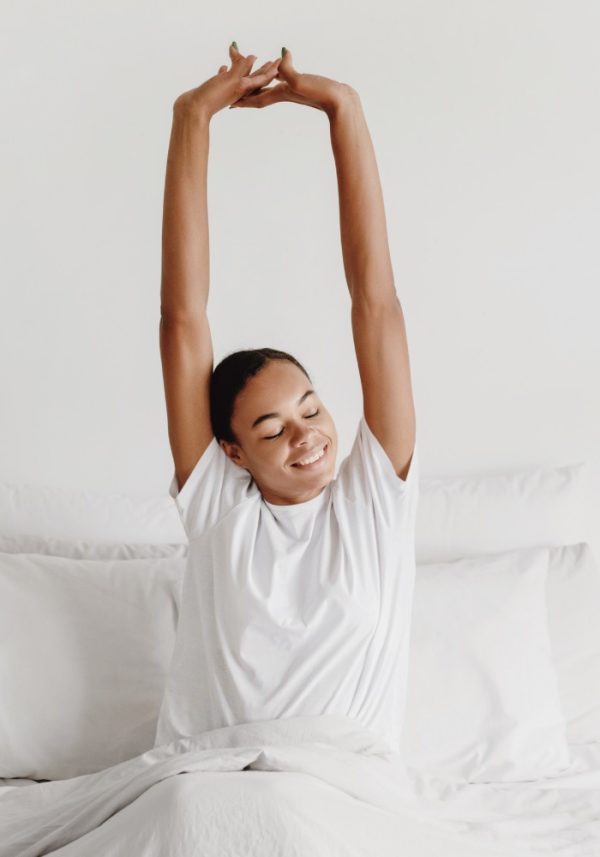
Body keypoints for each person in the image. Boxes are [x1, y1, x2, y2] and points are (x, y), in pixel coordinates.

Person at [155, 43, 419, 753]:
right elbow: (183, 321)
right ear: (232, 450)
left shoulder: (374, 501)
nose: (306, 435)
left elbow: (377, 305)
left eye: (309, 407)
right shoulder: (220, 512)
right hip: (211, 781)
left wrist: (343, 108)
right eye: (271, 430)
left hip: (343, 792)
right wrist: (192, 119)